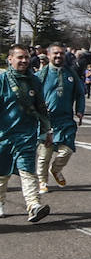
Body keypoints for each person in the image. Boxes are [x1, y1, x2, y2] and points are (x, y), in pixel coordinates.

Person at [0, 44, 54, 222]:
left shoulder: (34, 81)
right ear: (10, 59)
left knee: (27, 170)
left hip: (26, 135)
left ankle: (33, 206)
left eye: (26, 57)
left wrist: (47, 130)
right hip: (3, 135)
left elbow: (41, 108)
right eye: (19, 57)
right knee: (2, 174)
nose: (24, 61)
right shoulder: (2, 80)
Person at [35, 43, 85, 191]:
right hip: (46, 121)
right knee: (45, 155)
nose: (58, 56)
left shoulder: (71, 74)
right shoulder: (39, 76)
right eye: (55, 53)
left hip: (66, 121)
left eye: (61, 53)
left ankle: (56, 169)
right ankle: (42, 181)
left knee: (67, 150)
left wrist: (80, 110)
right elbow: (30, 96)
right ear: (49, 55)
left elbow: (80, 94)